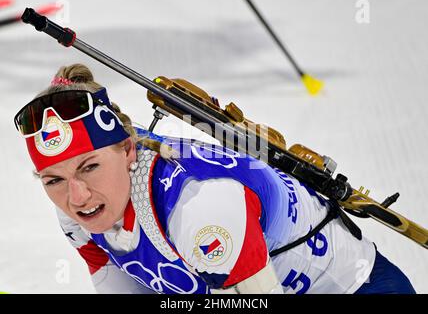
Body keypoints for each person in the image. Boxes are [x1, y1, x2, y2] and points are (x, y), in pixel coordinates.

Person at [14, 63, 416, 294]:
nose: (77, 196)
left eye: (89, 167)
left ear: (128, 150)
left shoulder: (199, 207)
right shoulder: (75, 206)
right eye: (53, 180)